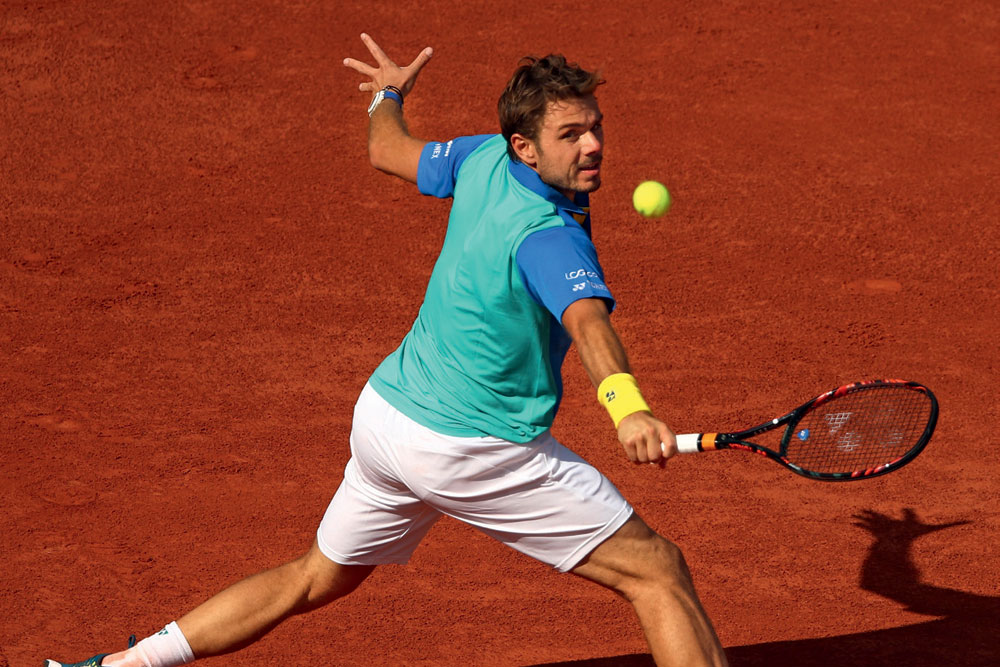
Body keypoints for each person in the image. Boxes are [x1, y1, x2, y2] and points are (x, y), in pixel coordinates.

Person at [45, 34, 728, 667]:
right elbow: (587, 324)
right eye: (570, 134)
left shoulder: (480, 155)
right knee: (657, 571)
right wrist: (628, 408)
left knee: (313, 577)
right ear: (526, 146)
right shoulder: (548, 235)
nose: (593, 146)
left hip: (386, 417)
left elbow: (386, 150)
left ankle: (118, 666)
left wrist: (387, 96)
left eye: (595, 126)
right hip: (472, 446)